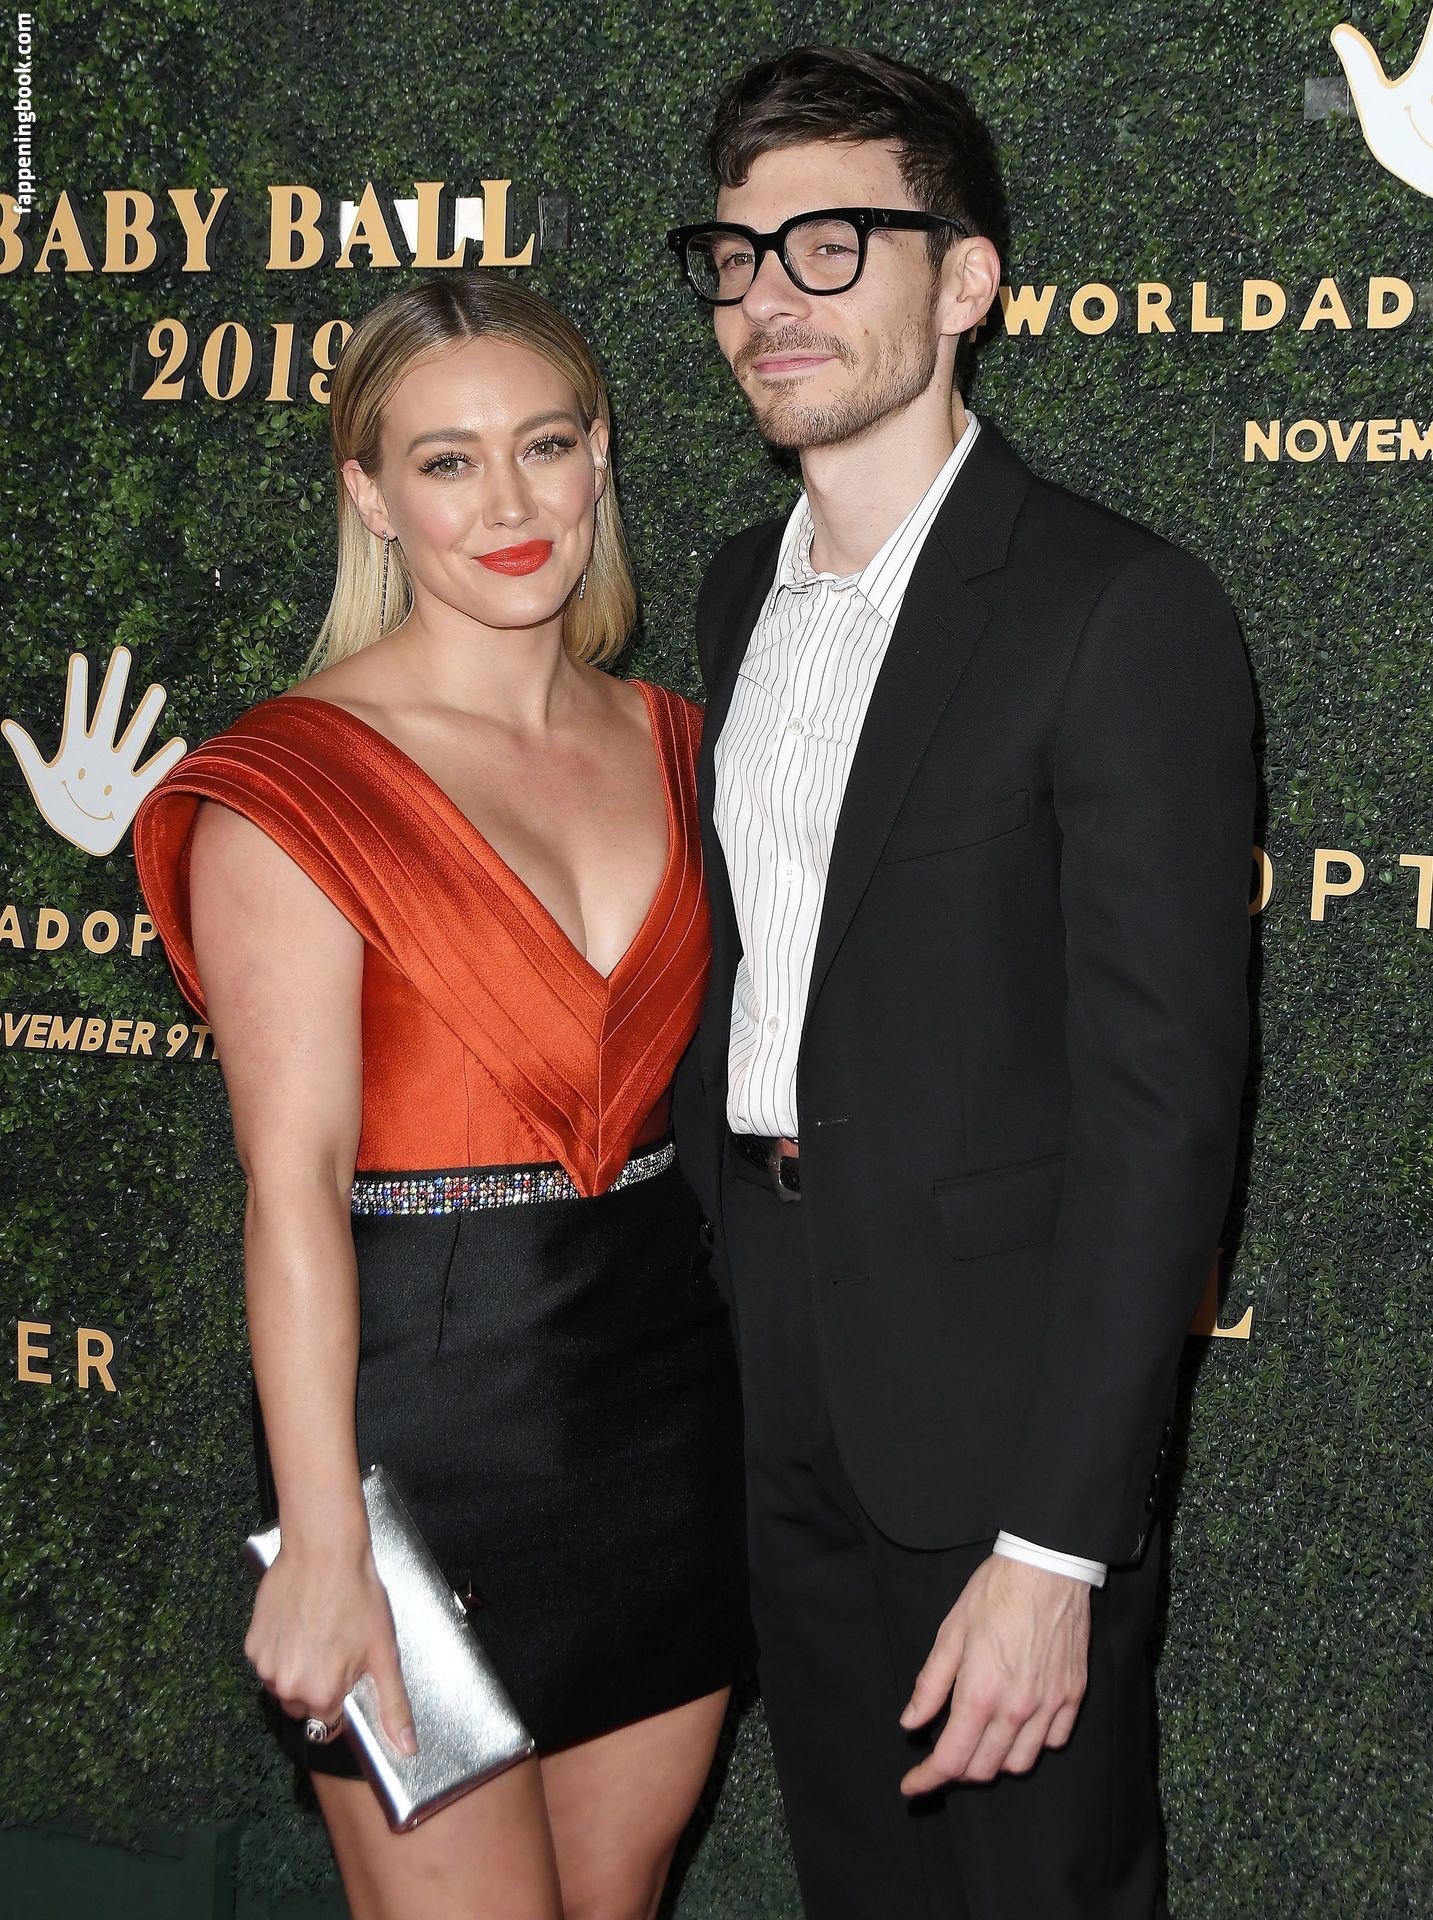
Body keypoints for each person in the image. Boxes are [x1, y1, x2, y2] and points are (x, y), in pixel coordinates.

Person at [666, 44, 1256, 1920]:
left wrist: (1058, 1545)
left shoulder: (1114, 609)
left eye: (831, 246)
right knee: (860, 1881)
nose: (768, 297)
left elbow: (1163, 1118)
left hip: (997, 1411)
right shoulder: (732, 591)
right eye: (737, 256)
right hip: (771, 1362)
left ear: (969, 280)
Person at [132, 274, 754, 1920]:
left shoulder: (690, 746)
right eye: (446, 461)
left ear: (599, 456)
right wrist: (322, 1538)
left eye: (543, 445)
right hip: (413, 1437)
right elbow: (291, 1186)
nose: (509, 504)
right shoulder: (291, 784)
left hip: (662, 1412)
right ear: (369, 495)